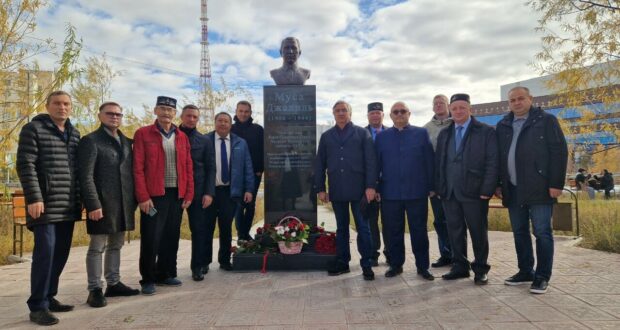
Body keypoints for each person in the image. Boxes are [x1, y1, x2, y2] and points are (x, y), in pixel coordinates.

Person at [17, 91, 82, 326]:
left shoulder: (74, 134)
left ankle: (49, 296)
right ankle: (37, 306)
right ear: (47, 106)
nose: (62, 107)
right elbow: (25, 164)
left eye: (66, 104)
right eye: (57, 103)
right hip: (43, 205)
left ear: (71, 107)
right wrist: (34, 197)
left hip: (67, 206)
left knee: (61, 254)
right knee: (45, 254)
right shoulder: (33, 130)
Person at [496, 86, 568, 294]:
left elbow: (559, 152)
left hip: (540, 188)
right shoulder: (503, 125)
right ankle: (525, 270)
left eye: (521, 98)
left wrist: (556, 184)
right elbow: (500, 158)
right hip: (513, 188)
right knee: (519, 232)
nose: (517, 103)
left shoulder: (546, 121)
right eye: (512, 100)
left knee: (542, 232)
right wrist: (499, 184)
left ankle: (542, 276)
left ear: (530, 99)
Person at [78, 102, 140, 308]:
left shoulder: (126, 142)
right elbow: (85, 177)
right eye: (110, 114)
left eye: (118, 114)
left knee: (116, 245)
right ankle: (94, 288)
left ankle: (113, 283)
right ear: (100, 115)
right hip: (102, 204)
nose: (115, 117)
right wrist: (93, 204)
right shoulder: (91, 141)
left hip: (123, 204)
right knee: (97, 247)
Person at [133, 96, 194, 295]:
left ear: (175, 113)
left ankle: (166, 273)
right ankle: (148, 278)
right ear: (155, 110)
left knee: (171, 235)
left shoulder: (181, 136)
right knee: (151, 237)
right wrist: (142, 196)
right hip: (154, 195)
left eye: (170, 110)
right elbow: (138, 167)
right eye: (162, 109)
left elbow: (188, 167)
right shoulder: (144, 134)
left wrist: (188, 193)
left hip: (176, 194)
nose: (166, 113)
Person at [435, 94, 498, 285]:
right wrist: (440, 187)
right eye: (454, 108)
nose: (458, 111)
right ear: (450, 110)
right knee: (454, 231)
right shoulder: (445, 133)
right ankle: (460, 267)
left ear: (470, 109)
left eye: (462, 107)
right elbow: (439, 162)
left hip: (475, 191)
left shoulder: (485, 131)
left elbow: (493, 162)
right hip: (450, 191)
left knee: (478, 231)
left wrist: (488, 188)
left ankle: (480, 269)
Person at [315, 100, 376, 281]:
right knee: (341, 228)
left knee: (363, 228)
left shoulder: (362, 133)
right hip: (338, 188)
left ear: (350, 113)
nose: (341, 113)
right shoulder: (326, 136)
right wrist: (320, 188)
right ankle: (343, 262)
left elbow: (371, 162)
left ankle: (367, 263)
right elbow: (320, 164)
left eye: (344, 110)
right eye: (337, 111)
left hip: (359, 190)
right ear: (333, 114)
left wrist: (371, 186)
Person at [375, 101, 435, 281]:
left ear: (409, 114)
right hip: (390, 193)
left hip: (416, 192)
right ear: (390, 115)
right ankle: (396, 264)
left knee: (419, 231)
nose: (399, 114)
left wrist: (432, 186)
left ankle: (423, 267)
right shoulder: (382, 137)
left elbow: (429, 162)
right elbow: (376, 164)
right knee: (393, 231)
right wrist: (376, 187)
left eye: (403, 111)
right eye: (395, 112)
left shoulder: (421, 133)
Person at [206, 112, 254, 271]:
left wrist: (248, 189)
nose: (223, 124)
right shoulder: (204, 140)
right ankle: (203, 263)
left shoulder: (240, 142)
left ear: (230, 124)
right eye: (220, 121)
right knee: (206, 228)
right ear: (215, 122)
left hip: (230, 192)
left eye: (226, 121)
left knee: (226, 228)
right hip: (209, 192)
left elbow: (248, 167)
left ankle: (224, 260)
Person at [178, 105, 216, 281]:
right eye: (188, 116)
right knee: (169, 231)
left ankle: (198, 266)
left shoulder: (204, 140)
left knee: (199, 230)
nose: (191, 119)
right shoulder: (173, 136)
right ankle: (166, 269)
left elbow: (210, 168)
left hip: (199, 192)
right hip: (174, 191)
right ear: (181, 116)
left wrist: (209, 193)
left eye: (195, 117)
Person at [423, 94, 453, 268]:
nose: (439, 106)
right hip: (436, 185)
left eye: (442, 103)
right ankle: (446, 254)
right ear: (433, 107)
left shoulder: (456, 123)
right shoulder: (425, 129)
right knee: (440, 221)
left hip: (456, 182)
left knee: (456, 221)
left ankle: (459, 255)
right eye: (436, 104)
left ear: (448, 105)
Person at [231, 100, 264, 240]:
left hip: (254, 173)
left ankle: (245, 233)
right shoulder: (230, 129)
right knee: (238, 205)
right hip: (235, 174)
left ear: (250, 113)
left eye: (246, 111)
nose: (243, 114)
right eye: (241, 111)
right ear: (236, 112)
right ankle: (241, 234)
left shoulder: (258, 129)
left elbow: (264, 150)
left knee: (250, 205)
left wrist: (261, 169)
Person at [365, 102, 388, 266]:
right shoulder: (361, 134)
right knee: (371, 222)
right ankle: (373, 254)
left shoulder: (392, 133)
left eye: (378, 113)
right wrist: (372, 186)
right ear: (368, 116)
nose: (375, 115)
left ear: (383, 115)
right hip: (369, 187)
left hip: (389, 186)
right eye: (372, 113)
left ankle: (390, 253)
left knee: (389, 222)